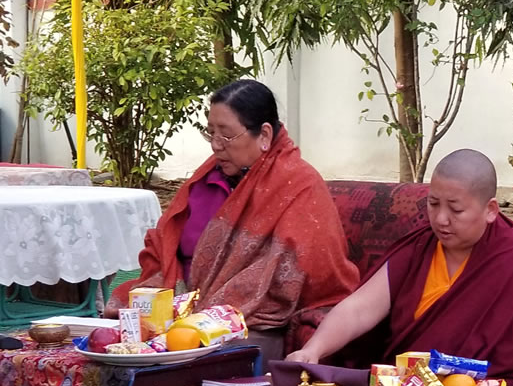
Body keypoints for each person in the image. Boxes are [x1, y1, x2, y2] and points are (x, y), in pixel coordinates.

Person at [107, 80, 360, 362]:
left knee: (189, 356)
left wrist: (210, 312)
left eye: (225, 135)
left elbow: (304, 268)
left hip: (249, 324)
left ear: (264, 134)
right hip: (180, 310)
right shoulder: (206, 180)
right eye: (210, 133)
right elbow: (164, 243)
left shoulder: (298, 185)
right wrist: (173, 301)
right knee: (115, 345)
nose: (215, 145)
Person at [286, 149, 513, 386]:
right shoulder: (421, 248)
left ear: (491, 210)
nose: (441, 219)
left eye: (455, 210)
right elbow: (360, 308)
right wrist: (313, 349)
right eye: (433, 204)